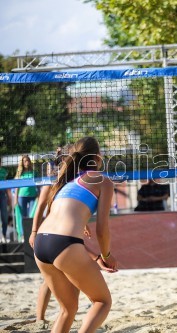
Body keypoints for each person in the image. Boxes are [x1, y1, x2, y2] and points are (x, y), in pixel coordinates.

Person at [33, 137, 117, 332]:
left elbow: (62, 229)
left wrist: (95, 256)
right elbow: (102, 230)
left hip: (41, 244)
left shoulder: (66, 182)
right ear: (98, 157)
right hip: (64, 244)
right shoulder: (103, 180)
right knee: (102, 301)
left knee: (67, 310)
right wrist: (106, 255)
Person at [0, 158, 12, 243]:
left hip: (2, 195)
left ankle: (3, 235)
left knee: (4, 218)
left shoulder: (4, 171)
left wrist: (10, 197)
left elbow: (7, 185)